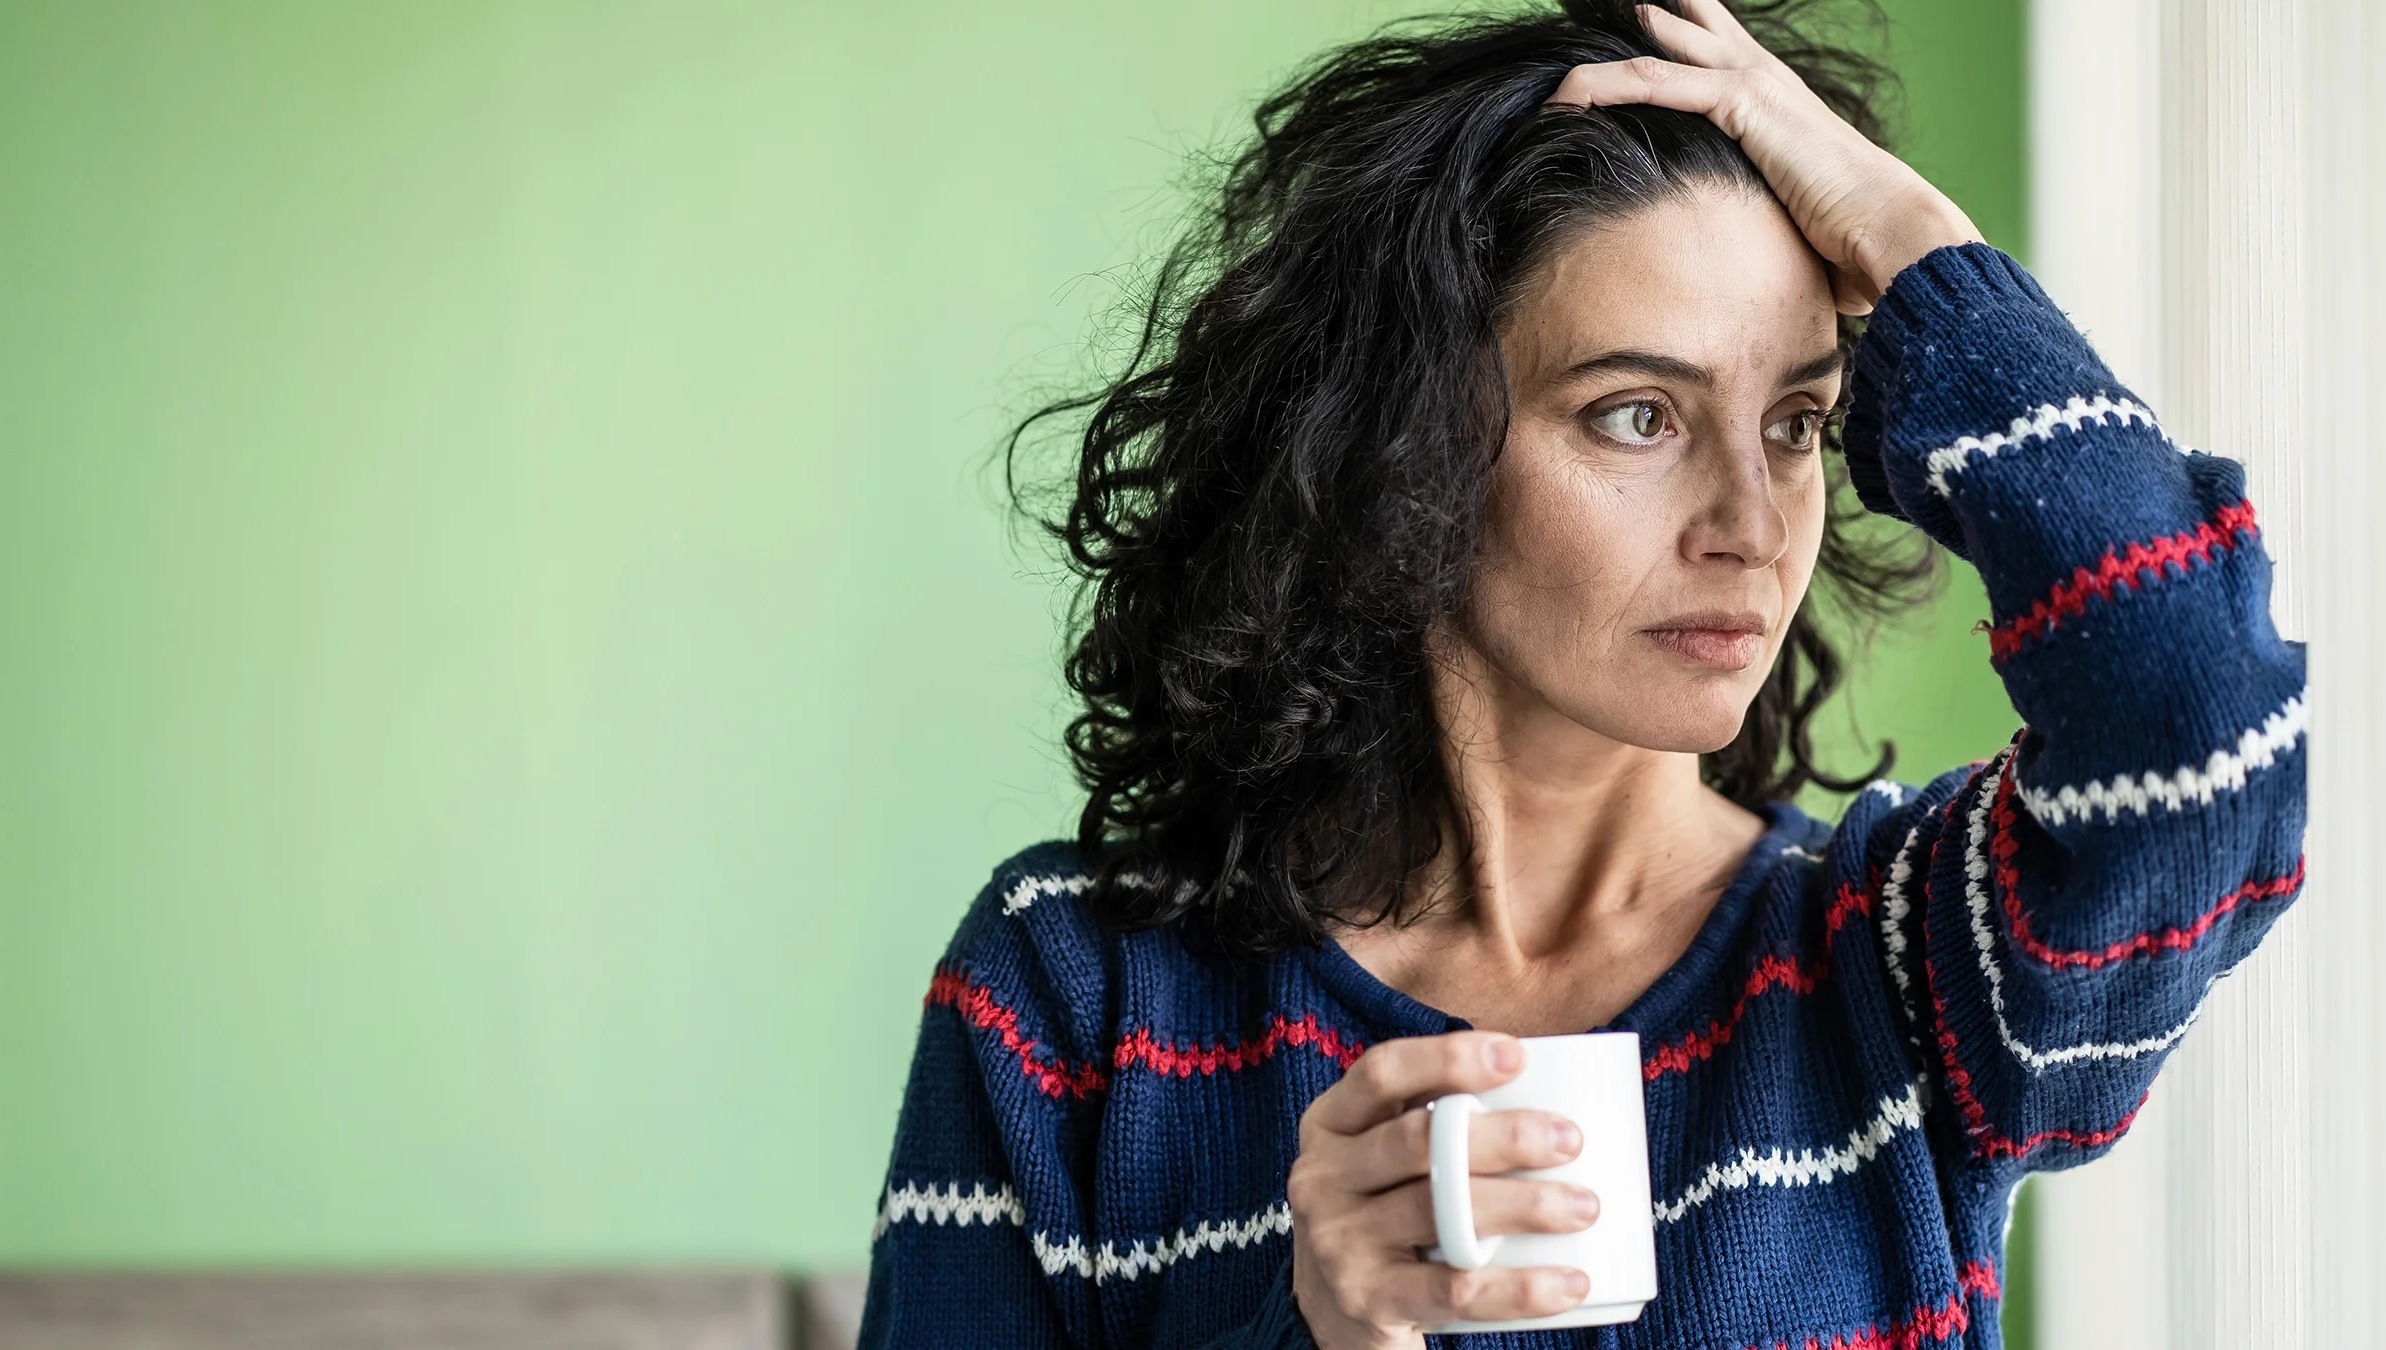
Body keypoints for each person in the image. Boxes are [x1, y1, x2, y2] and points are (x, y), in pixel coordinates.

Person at [859, 1, 2307, 1346]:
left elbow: (2202, 732)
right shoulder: (1074, 993)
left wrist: (1927, 252)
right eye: (1637, 414)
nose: (1752, 526)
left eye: (1797, 424)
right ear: (1402, 449)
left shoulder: (1899, 969)